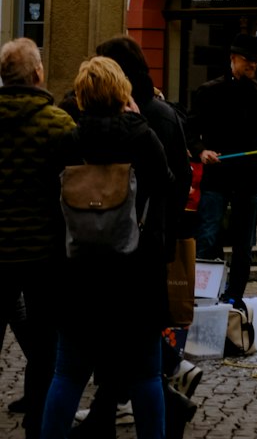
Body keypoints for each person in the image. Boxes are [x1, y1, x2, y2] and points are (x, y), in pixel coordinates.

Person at [41, 56, 171, 439]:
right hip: (134, 274)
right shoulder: (141, 137)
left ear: (82, 96)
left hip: (78, 273)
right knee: (146, 375)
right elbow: (165, 184)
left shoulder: (69, 141)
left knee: (67, 375)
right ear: (122, 92)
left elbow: (51, 202)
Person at [0, 39, 77, 439]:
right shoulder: (59, 124)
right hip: (43, 253)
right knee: (45, 346)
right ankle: (37, 424)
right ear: (37, 74)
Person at [190, 34, 257, 305]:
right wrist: (202, 151)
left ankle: (235, 298)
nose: (253, 65)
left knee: (244, 246)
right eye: (249, 60)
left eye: (256, 61)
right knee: (208, 240)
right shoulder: (209, 91)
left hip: (248, 178)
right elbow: (191, 131)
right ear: (233, 59)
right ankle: (204, 297)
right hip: (217, 176)